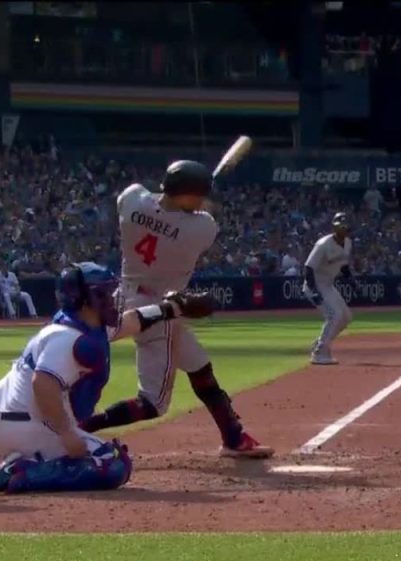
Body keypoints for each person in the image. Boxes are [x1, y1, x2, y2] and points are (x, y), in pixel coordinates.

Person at [79, 160, 274, 459]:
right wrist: (194, 201)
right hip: (162, 310)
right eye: (197, 195)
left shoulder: (133, 200)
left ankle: (233, 438)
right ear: (185, 193)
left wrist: (182, 196)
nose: (200, 201)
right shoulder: (201, 228)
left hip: (122, 297)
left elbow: (149, 201)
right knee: (153, 403)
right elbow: (204, 217)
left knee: (199, 366)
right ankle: (78, 429)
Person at [0, 262, 209, 495]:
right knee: (112, 464)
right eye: (104, 294)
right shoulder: (69, 338)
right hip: (24, 428)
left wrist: (172, 308)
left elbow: (132, 322)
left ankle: (9, 455)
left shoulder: (79, 325)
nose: (112, 299)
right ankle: (21, 472)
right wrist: (66, 433)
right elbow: (43, 383)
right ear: (84, 300)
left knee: (90, 445)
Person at [303, 212, 358, 365]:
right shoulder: (323, 244)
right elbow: (308, 268)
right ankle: (320, 352)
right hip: (315, 284)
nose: (343, 230)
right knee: (334, 315)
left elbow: (344, 264)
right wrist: (313, 291)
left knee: (346, 317)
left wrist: (351, 280)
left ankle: (320, 343)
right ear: (334, 227)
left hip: (328, 284)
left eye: (346, 227)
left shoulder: (347, 243)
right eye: (340, 226)